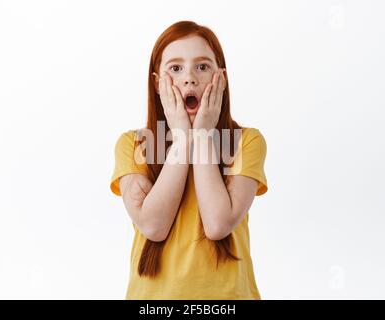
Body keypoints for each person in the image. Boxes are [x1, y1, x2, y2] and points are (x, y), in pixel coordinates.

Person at [109, 20, 268, 299]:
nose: (189, 78)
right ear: (157, 84)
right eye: (176, 68)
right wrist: (183, 140)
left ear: (221, 78)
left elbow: (218, 225)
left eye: (202, 67)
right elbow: (154, 227)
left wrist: (202, 136)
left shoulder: (247, 142)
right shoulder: (133, 145)